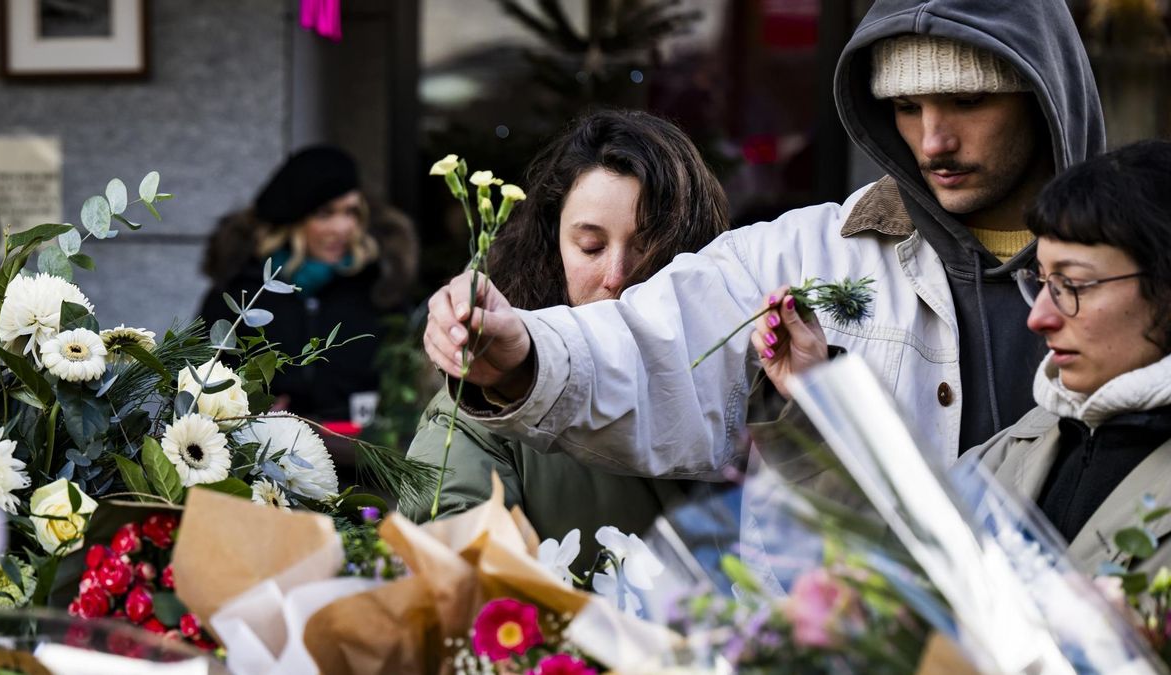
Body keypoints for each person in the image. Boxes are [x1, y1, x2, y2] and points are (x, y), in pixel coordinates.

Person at [421, 0, 1105, 477]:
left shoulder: (1137, 264)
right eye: (905, 107)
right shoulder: (809, 252)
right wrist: (523, 353)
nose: (933, 139)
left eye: (966, 101)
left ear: (1040, 94)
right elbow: (658, 343)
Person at [403, 110, 730, 568]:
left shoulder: (748, 378)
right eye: (591, 247)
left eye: (648, 246)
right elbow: (452, 566)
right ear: (552, 245)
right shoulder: (486, 402)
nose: (617, 276)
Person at [960, 141, 1171, 571]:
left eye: (1072, 285)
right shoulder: (1009, 451)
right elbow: (876, 570)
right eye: (1041, 281)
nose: (1038, 317)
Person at [199, 145, 418, 424]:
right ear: (294, 219)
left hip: (362, 459)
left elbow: (406, 384)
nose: (342, 227)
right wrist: (244, 414)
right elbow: (202, 380)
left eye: (351, 211)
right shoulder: (241, 293)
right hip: (264, 457)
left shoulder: (380, 290)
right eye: (325, 213)